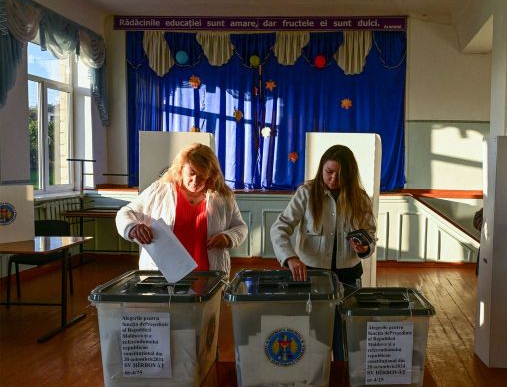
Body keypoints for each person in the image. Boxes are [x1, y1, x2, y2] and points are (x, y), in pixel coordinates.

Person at [270, 144, 376, 361]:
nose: (334, 179)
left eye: (340, 174)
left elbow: (370, 235)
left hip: (349, 278)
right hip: (312, 277)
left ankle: (342, 376)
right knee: (312, 337)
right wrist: (290, 257)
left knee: (346, 338)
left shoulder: (361, 198)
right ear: (321, 169)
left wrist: (366, 248)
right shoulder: (306, 193)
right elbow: (279, 227)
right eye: (329, 172)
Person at [116, 143, 248, 277]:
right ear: (180, 170)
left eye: (202, 175)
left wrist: (228, 237)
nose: (195, 181)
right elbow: (125, 212)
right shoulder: (159, 191)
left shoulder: (223, 197)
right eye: (191, 173)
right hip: (163, 275)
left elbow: (241, 227)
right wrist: (132, 228)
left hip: (209, 276)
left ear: (211, 175)